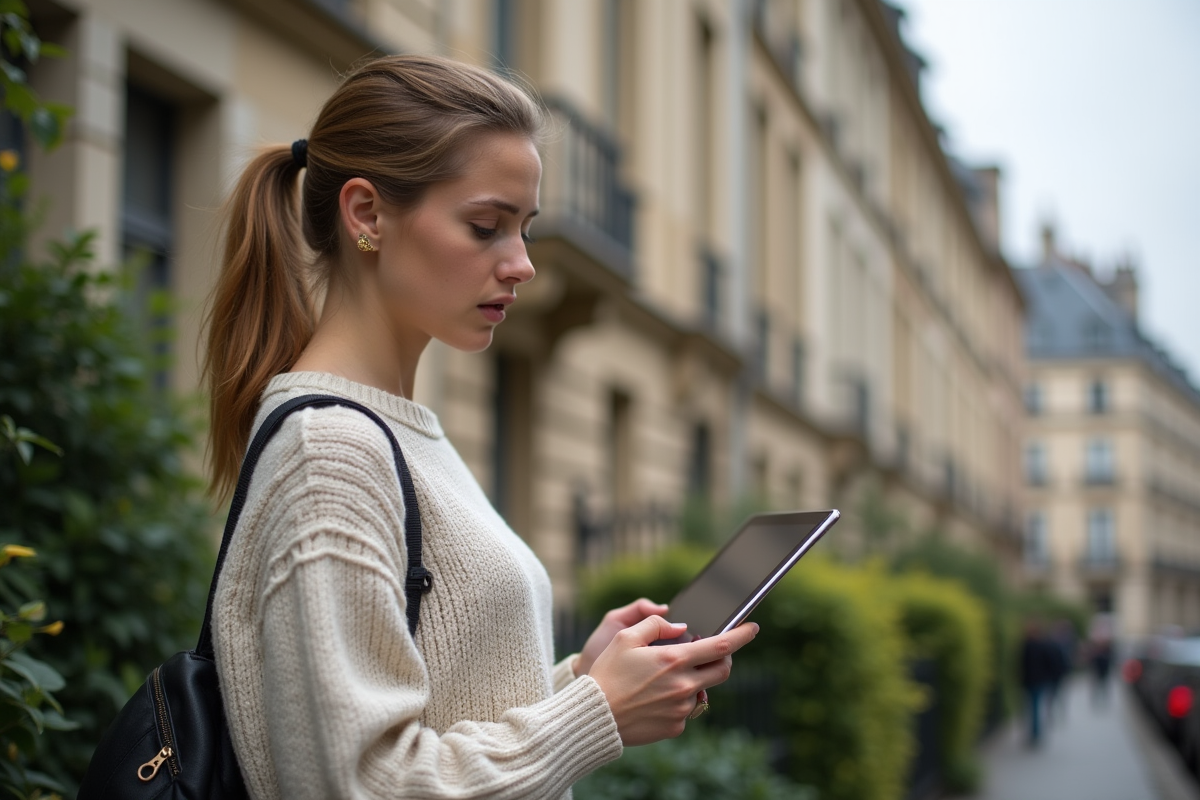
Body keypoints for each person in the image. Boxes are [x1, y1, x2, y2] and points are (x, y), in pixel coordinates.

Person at [203, 55, 758, 800]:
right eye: (485, 227)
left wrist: (580, 679)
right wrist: (597, 711)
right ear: (366, 214)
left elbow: (444, 708)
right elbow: (362, 784)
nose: (522, 264)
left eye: (523, 229)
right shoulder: (332, 454)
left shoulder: (399, 432)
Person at [1019, 619, 1059, 747]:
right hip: (1038, 680)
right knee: (1034, 707)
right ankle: (1035, 733)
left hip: (1032, 680)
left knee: (1032, 707)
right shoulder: (1042, 645)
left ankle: (1034, 733)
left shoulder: (1027, 645)